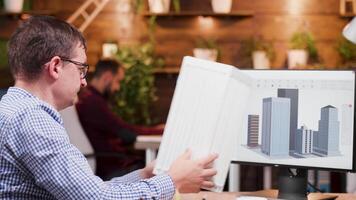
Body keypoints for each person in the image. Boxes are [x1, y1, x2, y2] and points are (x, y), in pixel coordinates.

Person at [0, 15, 218, 199]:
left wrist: (144, 176)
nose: (84, 81)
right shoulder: (32, 118)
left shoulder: (15, 109)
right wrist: (173, 181)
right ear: (56, 67)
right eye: (81, 69)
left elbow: (92, 191)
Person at [76, 59, 163, 180]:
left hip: (111, 164)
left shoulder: (90, 99)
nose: (117, 88)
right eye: (118, 81)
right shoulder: (92, 102)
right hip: (112, 170)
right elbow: (124, 131)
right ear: (107, 77)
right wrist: (162, 131)